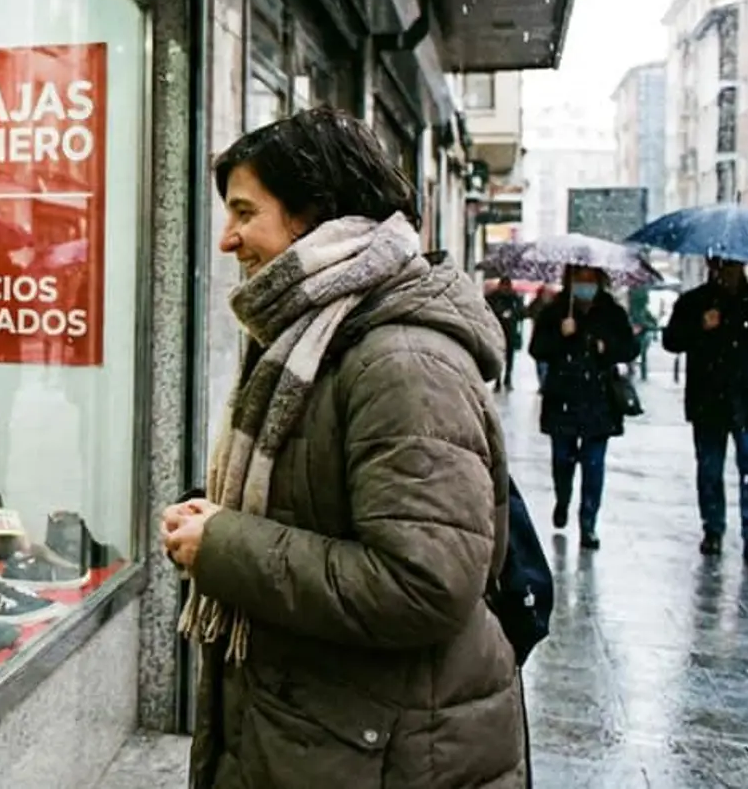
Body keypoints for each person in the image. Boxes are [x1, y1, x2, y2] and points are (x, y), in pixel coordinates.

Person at [163, 108, 526, 789]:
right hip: (325, 728)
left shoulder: (401, 361)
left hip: (383, 751)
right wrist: (218, 517)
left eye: (245, 212)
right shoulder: (318, 333)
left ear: (313, 216)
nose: (227, 238)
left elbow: (423, 583)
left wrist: (226, 545)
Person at [660, 257, 748, 566]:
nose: (726, 272)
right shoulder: (695, 302)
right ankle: (713, 528)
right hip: (710, 399)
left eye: (732, 266)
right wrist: (700, 326)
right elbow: (671, 341)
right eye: (721, 266)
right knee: (710, 469)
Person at [527, 267, 637, 548]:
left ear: (599, 281)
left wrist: (606, 347)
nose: (584, 285)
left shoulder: (612, 313)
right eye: (579, 279)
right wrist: (560, 335)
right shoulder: (555, 311)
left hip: (598, 399)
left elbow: (630, 348)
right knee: (562, 460)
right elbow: (537, 349)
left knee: (593, 465)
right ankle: (562, 499)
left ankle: (588, 523)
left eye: (590, 280)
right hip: (562, 397)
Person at [486, 277, 527, 391]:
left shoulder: (515, 298)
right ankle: (498, 380)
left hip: (510, 331)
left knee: (509, 357)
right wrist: (499, 313)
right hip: (496, 331)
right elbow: (486, 311)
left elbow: (523, 312)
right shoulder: (493, 297)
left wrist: (512, 314)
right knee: (498, 356)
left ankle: (507, 378)